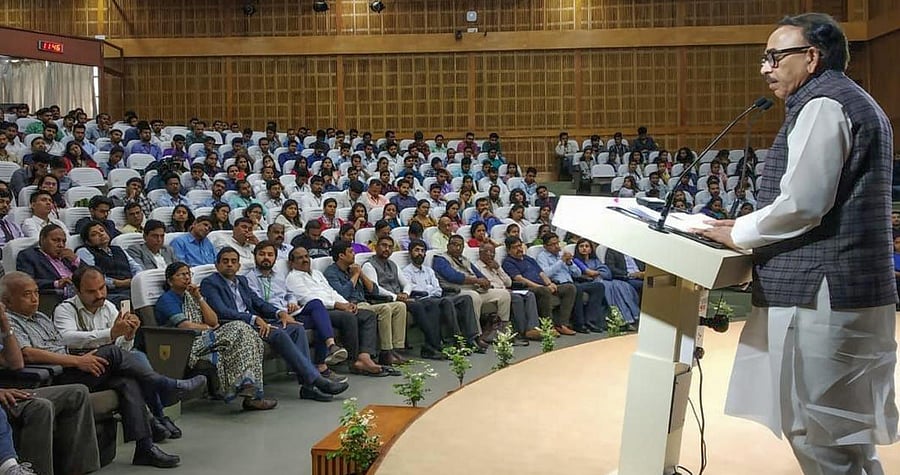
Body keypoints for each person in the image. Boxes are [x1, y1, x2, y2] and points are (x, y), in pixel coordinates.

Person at [695, 14, 898, 475]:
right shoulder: (855, 100)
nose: (764, 68)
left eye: (774, 57)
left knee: (816, 431)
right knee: (848, 437)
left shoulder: (824, 103)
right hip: (850, 291)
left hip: (822, 293)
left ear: (811, 57)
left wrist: (739, 231)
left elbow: (804, 204)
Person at [2, 271, 205, 469]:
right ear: (7, 301)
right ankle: (165, 385)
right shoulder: (9, 322)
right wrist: (77, 361)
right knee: (112, 353)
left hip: (70, 363)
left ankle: (145, 447)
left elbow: (61, 346)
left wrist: (125, 336)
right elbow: (27, 354)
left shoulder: (41, 317)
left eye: (36, 292)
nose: (35, 298)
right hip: (51, 376)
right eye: (26, 294)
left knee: (126, 381)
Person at [200, 247, 349, 402]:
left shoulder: (241, 281)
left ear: (239, 266)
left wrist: (279, 313)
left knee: (296, 328)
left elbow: (258, 302)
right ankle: (316, 380)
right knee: (278, 332)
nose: (230, 265)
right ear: (217, 265)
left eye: (233, 261)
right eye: (225, 261)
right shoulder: (210, 283)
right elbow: (222, 311)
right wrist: (253, 318)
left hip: (255, 322)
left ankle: (307, 387)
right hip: (235, 327)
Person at [54, 266, 182, 439]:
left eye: (101, 288)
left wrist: (128, 335)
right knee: (135, 357)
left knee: (130, 374)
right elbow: (66, 338)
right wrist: (111, 334)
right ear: (77, 291)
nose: (99, 295)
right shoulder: (65, 309)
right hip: (83, 368)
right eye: (91, 291)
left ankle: (149, 432)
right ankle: (160, 406)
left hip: (109, 366)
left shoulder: (108, 307)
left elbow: (122, 350)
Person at [156, 262, 277, 410]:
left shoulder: (192, 296)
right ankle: (251, 394)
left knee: (249, 334)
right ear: (170, 281)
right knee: (240, 326)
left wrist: (199, 298)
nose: (186, 278)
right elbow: (185, 326)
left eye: (188, 274)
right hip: (186, 343)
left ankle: (249, 388)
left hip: (206, 339)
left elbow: (213, 320)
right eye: (181, 275)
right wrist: (208, 328)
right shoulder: (167, 299)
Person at [0, 298, 100, 475]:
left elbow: (15, 362)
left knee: (78, 392)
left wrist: (4, 323)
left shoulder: (35, 317)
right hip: (5, 391)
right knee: (40, 405)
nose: (34, 298)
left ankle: (80, 470)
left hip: (9, 390)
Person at [286, 246, 393, 377]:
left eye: (306, 256)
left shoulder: (317, 274)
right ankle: (354, 362)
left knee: (368, 315)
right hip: (319, 311)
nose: (305, 260)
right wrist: (338, 305)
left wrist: (346, 303)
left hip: (336, 306)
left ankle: (365, 357)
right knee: (348, 317)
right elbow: (307, 299)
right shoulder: (293, 277)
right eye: (300, 258)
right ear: (291, 262)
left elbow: (332, 292)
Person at [324, 241, 409, 366]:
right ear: (341, 255)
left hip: (366, 303)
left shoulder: (353, 268)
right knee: (385, 308)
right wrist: (355, 275)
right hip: (351, 306)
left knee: (400, 306)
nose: (354, 254)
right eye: (351, 251)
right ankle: (386, 352)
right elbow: (342, 294)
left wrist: (361, 274)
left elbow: (373, 290)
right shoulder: (331, 272)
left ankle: (396, 349)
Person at [361, 236, 447, 359]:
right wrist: (396, 297)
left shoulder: (392, 264)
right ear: (376, 247)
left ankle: (430, 346)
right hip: (383, 300)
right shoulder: (369, 265)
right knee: (417, 305)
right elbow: (375, 289)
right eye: (384, 245)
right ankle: (434, 344)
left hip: (400, 298)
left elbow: (407, 283)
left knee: (431, 303)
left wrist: (406, 293)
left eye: (390, 247)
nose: (387, 249)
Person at [433, 235, 510, 342]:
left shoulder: (465, 260)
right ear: (448, 246)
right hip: (455, 292)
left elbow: (480, 275)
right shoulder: (440, 259)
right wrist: (477, 281)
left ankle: (500, 331)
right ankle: (476, 335)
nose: (458, 248)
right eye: (454, 245)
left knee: (504, 294)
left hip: (474, 289)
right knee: (473, 296)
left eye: (460, 246)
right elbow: (452, 276)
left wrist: (486, 283)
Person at [502, 236, 577, 336]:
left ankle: (562, 324)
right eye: (515, 247)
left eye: (520, 246)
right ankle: (548, 326)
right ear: (508, 250)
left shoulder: (528, 259)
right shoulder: (508, 262)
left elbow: (541, 273)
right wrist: (540, 286)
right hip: (527, 288)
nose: (519, 249)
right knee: (544, 291)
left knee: (569, 288)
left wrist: (550, 283)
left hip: (542, 286)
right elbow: (519, 279)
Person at [535, 233, 606, 333]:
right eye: (552, 244)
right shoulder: (542, 257)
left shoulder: (562, 254)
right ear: (545, 246)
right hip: (557, 285)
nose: (556, 246)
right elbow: (546, 274)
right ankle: (579, 324)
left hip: (572, 282)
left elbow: (577, 273)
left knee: (599, 286)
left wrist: (570, 263)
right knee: (575, 288)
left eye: (557, 243)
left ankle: (591, 320)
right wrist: (561, 261)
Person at [473, 241, 541, 345]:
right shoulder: (477, 267)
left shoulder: (496, 265)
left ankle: (533, 328)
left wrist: (498, 269)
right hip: (494, 293)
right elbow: (485, 285)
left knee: (529, 294)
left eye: (493, 252)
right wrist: (502, 289)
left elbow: (508, 282)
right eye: (487, 252)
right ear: (480, 252)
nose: (491, 255)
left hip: (506, 290)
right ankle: (519, 333)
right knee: (517, 298)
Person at [572, 238, 639, 328]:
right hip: (590, 282)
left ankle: (627, 317)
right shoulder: (575, 261)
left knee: (621, 285)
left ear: (591, 249)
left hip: (603, 280)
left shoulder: (595, 260)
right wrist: (597, 273)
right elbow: (589, 273)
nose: (584, 248)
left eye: (587, 246)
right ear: (577, 249)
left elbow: (607, 273)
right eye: (581, 246)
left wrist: (598, 273)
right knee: (607, 286)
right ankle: (618, 319)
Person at [16, 224, 79, 302]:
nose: (61, 245)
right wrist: (56, 283)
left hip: (82, 292)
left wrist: (76, 260)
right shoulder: (29, 256)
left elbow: (93, 274)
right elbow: (27, 282)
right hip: (56, 297)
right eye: (56, 240)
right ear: (42, 240)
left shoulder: (67, 257)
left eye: (64, 241)